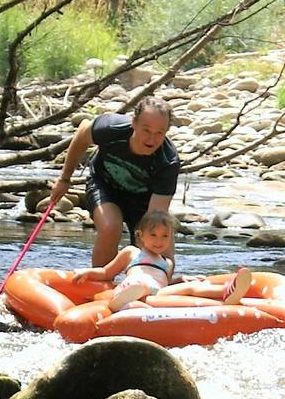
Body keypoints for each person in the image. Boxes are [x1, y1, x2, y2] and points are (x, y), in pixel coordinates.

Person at [46, 97, 181, 267]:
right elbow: (82, 133)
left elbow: (155, 216)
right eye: (146, 130)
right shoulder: (111, 128)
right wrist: (65, 179)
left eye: (159, 133)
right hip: (104, 185)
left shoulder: (168, 161)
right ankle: (100, 282)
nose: (151, 139)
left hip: (143, 200)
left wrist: (151, 248)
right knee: (111, 227)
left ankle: (149, 284)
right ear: (134, 122)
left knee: (159, 244)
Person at [69, 209, 253, 309]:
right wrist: (87, 272)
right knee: (139, 285)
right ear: (140, 235)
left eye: (165, 236)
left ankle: (228, 292)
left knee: (190, 287)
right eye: (154, 235)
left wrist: (179, 280)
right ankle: (122, 300)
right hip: (133, 286)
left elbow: (165, 284)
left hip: (158, 293)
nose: (159, 241)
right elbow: (106, 272)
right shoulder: (131, 252)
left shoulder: (167, 263)